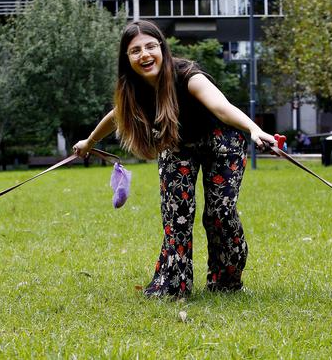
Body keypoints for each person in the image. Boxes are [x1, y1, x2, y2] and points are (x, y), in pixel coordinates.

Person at [73, 20, 275, 298]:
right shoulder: (132, 88)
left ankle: (226, 282)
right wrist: (89, 142)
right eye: (135, 50)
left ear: (162, 49)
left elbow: (221, 107)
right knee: (176, 216)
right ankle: (173, 284)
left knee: (220, 214)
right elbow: (114, 117)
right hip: (177, 144)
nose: (144, 55)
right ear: (127, 58)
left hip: (221, 139)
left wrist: (254, 129)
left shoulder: (188, 76)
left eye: (150, 46)